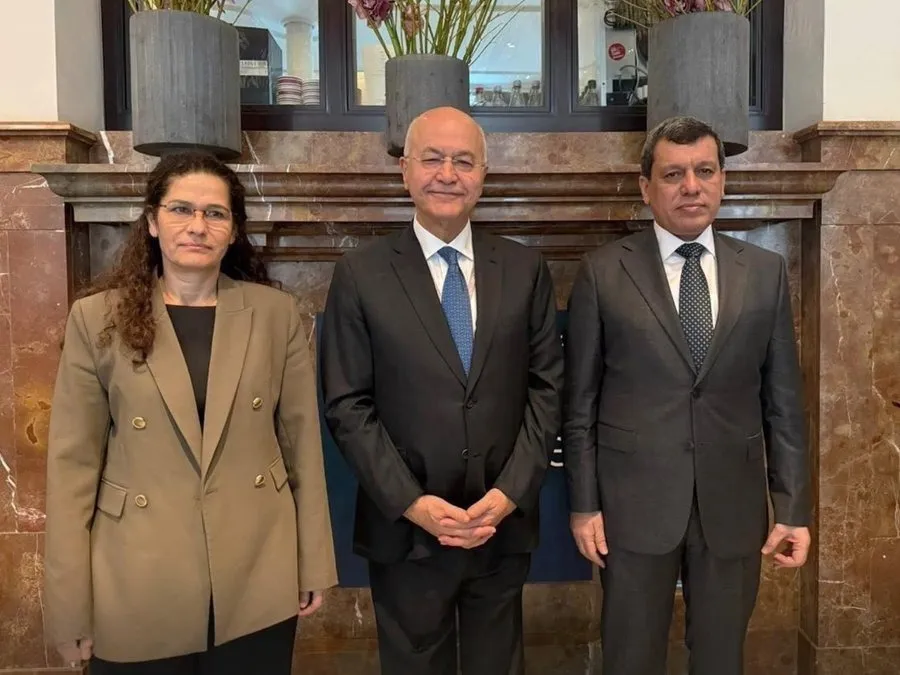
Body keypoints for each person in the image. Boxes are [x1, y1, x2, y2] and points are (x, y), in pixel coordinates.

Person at [44, 151, 338, 674]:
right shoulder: (97, 318)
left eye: (215, 213)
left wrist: (313, 561)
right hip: (136, 574)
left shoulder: (275, 315)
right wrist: (69, 604)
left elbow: (302, 447)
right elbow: (72, 470)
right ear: (153, 221)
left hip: (255, 568)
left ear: (233, 230)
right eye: (181, 209)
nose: (197, 226)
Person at [562, 116, 811, 675]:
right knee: (630, 657)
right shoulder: (603, 273)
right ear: (646, 187)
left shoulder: (765, 273)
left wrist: (793, 508)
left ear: (723, 180)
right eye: (673, 174)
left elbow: (783, 403)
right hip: (633, 507)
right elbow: (578, 406)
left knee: (721, 658)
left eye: (704, 171)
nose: (691, 186)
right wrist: (584, 504)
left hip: (732, 505)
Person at [320, 106, 563, 675]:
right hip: (406, 529)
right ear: (405, 170)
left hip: (499, 522)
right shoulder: (361, 273)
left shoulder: (525, 268)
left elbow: (547, 388)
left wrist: (510, 493)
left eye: (463, 161)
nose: (447, 174)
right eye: (432, 159)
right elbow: (347, 404)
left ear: (483, 174)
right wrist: (413, 503)